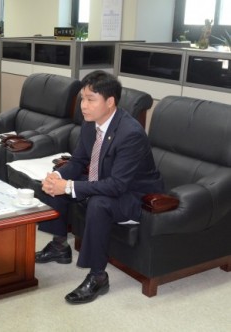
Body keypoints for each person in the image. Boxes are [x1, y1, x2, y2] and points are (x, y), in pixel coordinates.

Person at [37, 70, 163, 304]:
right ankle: (59, 246)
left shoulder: (130, 133)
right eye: (82, 99)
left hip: (135, 196)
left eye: (90, 99)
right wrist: (56, 177)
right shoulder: (91, 123)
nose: (83, 105)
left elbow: (117, 185)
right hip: (106, 182)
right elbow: (78, 161)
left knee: (98, 202)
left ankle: (98, 276)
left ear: (110, 102)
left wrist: (70, 186)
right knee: (52, 184)